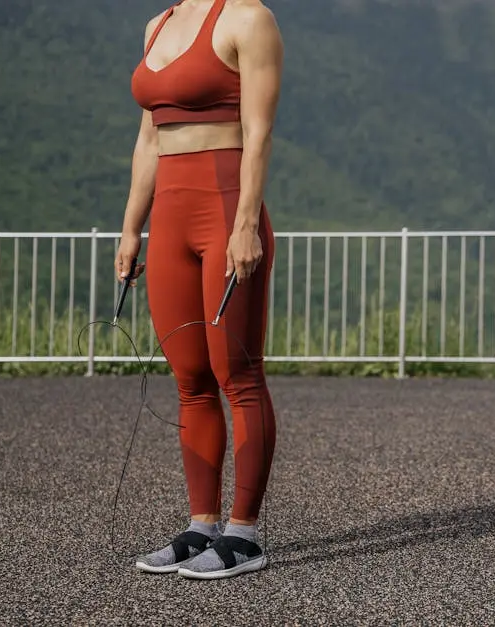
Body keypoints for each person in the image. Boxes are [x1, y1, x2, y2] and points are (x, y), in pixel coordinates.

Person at [115, 0, 283, 580]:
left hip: (225, 212)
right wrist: (132, 228)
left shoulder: (247, 19)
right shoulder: (155, 26)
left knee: (237, 374)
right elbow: (147, 141)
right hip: (170, 221)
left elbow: (258, 132)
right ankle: (201, 526)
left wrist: (244, 224)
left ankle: (243, 535)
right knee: (189, 378)